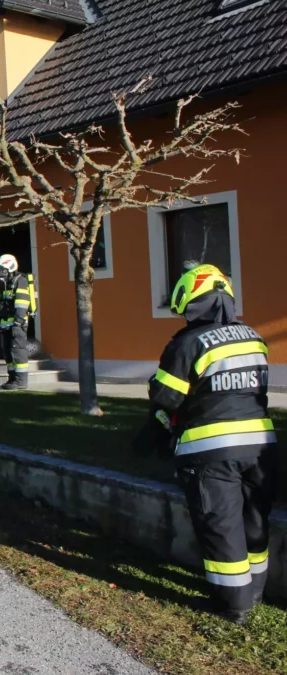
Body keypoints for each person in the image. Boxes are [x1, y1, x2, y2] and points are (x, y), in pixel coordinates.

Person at [134, 264, 279, 625]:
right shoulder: (254, 337)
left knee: (221, 524)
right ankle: (255, 591)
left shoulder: (188, 343)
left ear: (193, 302)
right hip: (261, 445)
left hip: (211, 450)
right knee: (255, 520)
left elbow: (166, 397)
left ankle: (234, 605)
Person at [0, 254, 31, 390]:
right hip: (7, 325)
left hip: (17, 325)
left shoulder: (20, 281)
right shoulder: (6, 283)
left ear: (10, 268)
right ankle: (12, 379)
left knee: (18, 351)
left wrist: (17, 323)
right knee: (8, 353)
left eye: (2, 270)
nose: (0, 272)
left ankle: (21, 381)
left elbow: (22, 304)